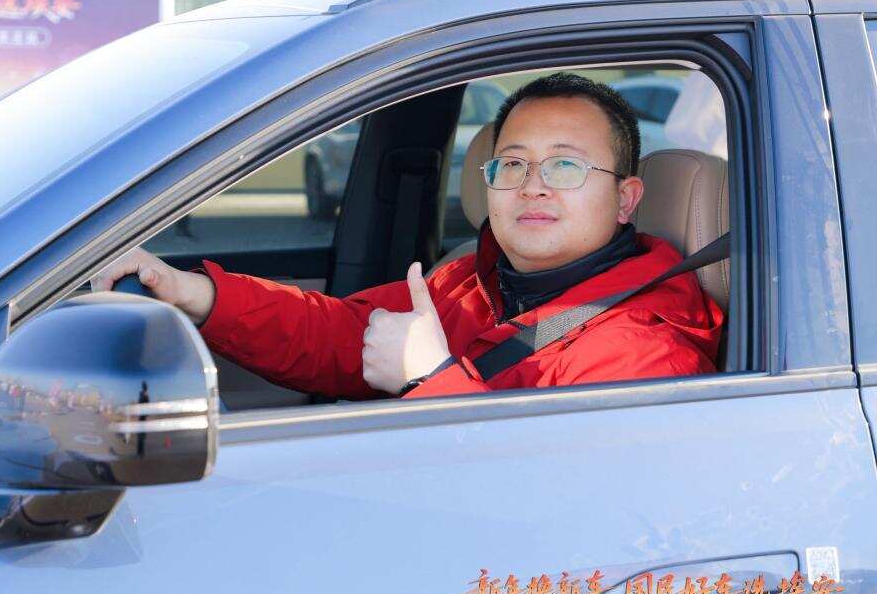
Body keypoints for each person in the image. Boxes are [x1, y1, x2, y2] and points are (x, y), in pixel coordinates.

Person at [95, 73, 725, 400]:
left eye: (565, 165)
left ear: (626, 198)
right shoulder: (472, 279)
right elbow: (343, 334)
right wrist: (197, 295)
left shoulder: (644, 355)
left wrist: (429, 378)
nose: (533, 185)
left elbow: (557, 521)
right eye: (512, 164)